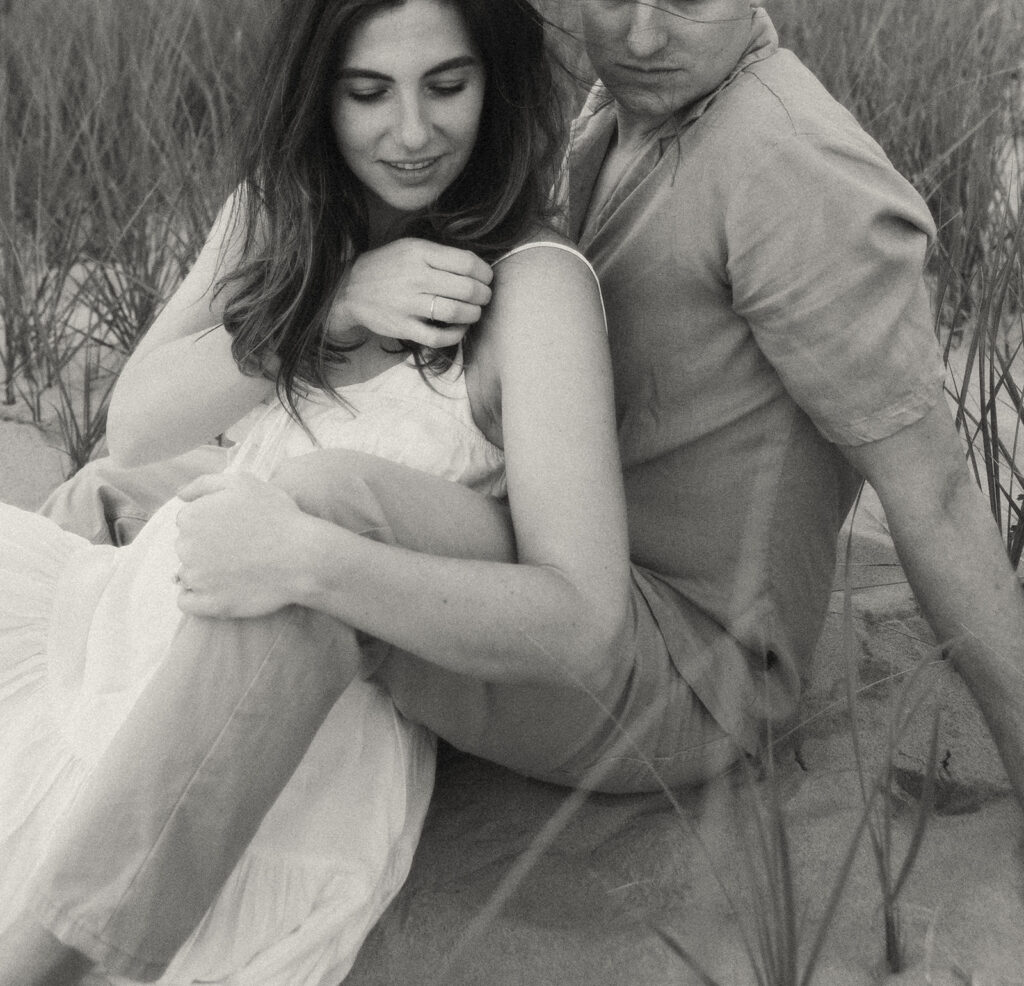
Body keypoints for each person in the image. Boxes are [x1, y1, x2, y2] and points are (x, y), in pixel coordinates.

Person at [10, 0, 1024, 981]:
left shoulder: (797, 175)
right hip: (557, 534)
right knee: (139, 487)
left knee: (316, 509)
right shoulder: (625, 110)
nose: (636, 30)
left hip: (677, 650)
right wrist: (333, 310)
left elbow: (930, 492)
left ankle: (50, 957)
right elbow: (147, 414)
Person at [0, 0, 627, 983]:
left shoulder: (532, 289)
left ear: (495, 84)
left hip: (289, 744)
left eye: (447, 85)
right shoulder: (276, 212)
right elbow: (138, 423)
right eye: (368, 91)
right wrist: (331, 304)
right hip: (134, 624)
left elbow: (584, 617)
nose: (412, 132)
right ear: (318, 94)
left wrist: (312, 560)